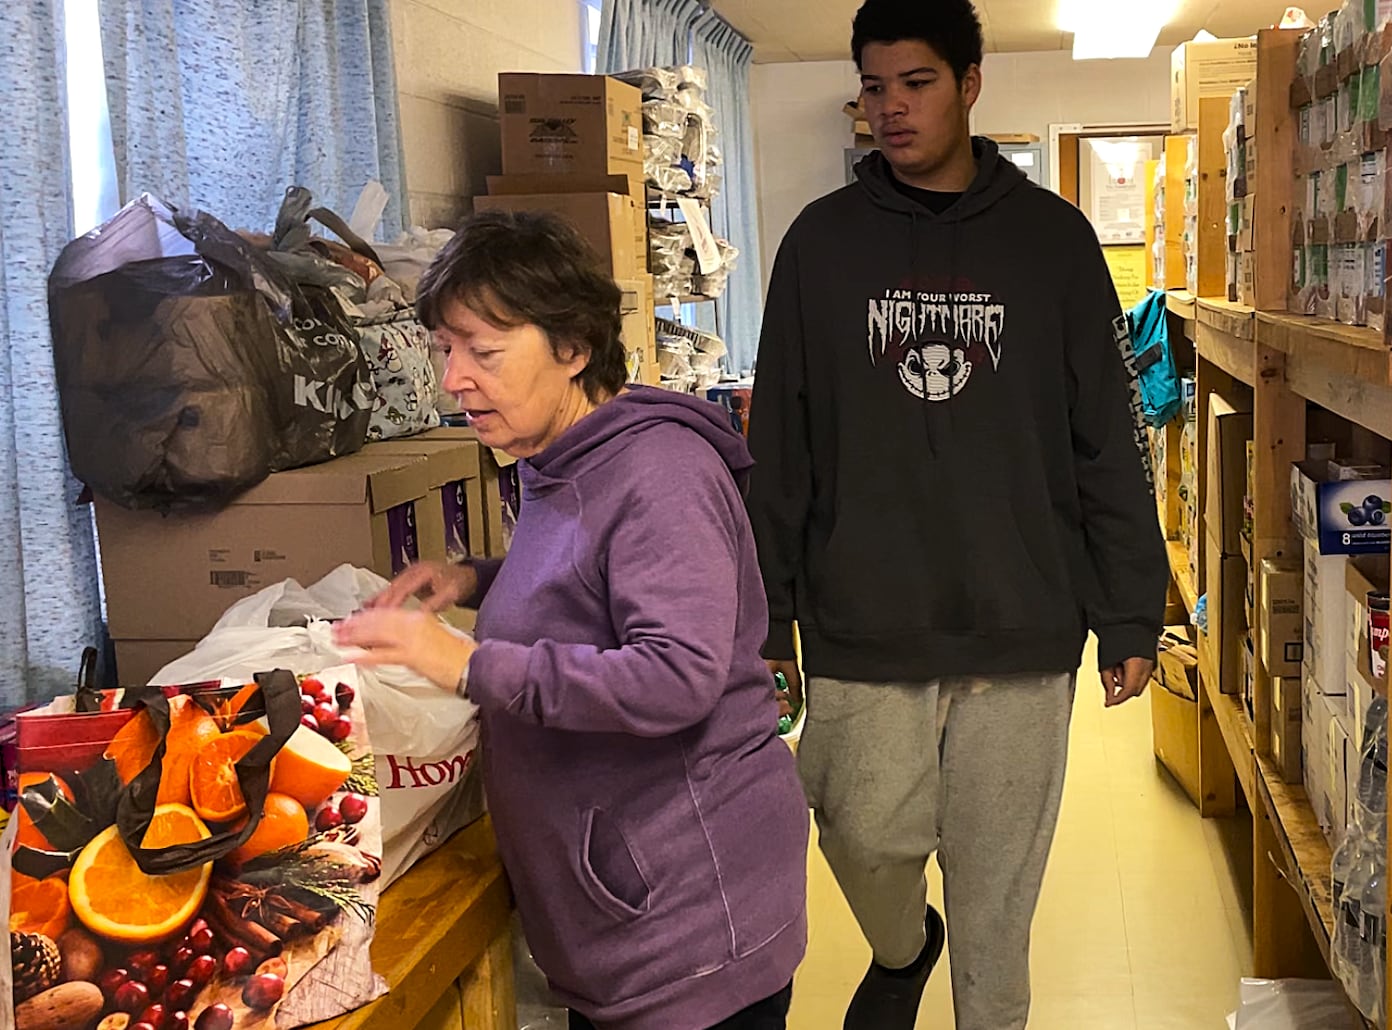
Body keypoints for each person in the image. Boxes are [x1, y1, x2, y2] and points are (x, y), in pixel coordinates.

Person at [744, 0, 1167, 1027]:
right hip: (860, 623)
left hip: (1018, 623)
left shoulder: (1053, 243)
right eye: (874, 86)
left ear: (970, 83)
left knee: (996, 905)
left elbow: (1107, 436)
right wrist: (770, 618)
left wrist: (1130, 610)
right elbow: (781, 446)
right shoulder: (820, 245)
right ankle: (902, 949)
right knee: (859, 838)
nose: (891, 107)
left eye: (916, 82)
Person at [335, 211, 808, 1030]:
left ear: (573, 347)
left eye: (482, 351)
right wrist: (477, 580)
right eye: (446, 350)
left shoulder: (657, 473)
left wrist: (465, 663)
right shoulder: (562, 457)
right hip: (628, 912)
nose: (454, 379)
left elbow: (676, 676)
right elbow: (597, 585)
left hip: (688, 930)